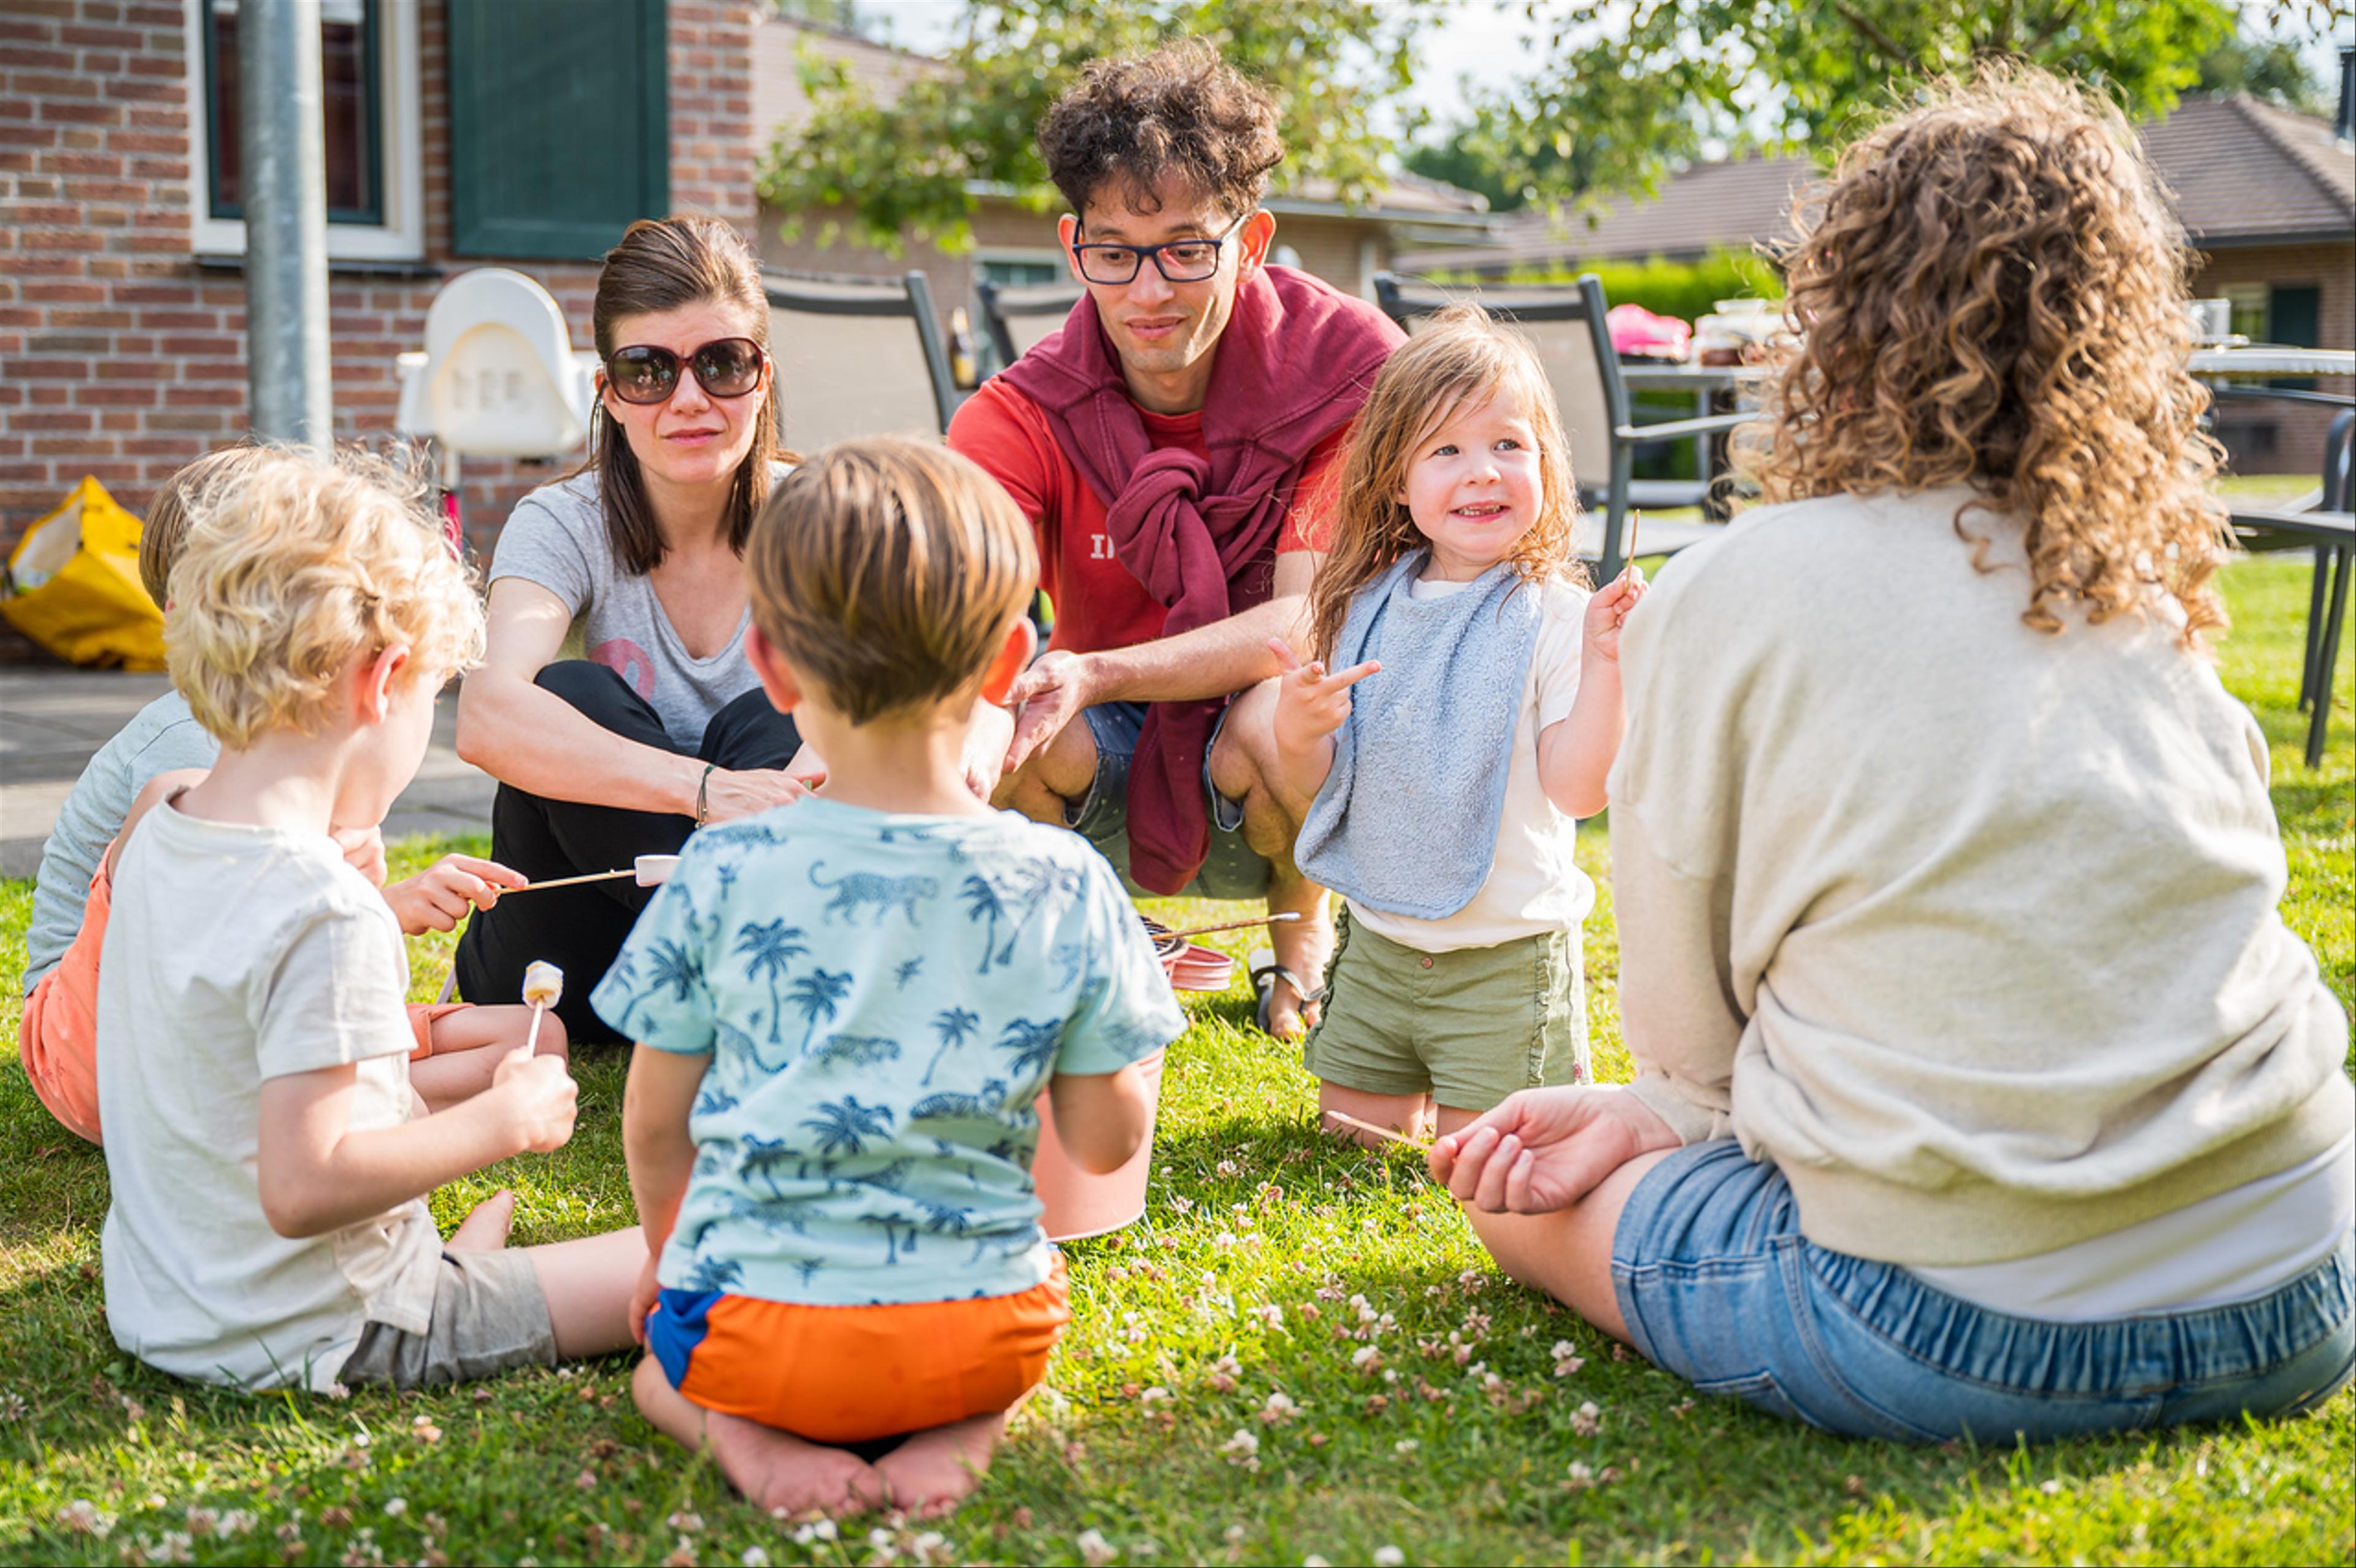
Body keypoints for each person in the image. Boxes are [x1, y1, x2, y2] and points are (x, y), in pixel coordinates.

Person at [1431, 69, 2355, 1442]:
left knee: (1529, 1209)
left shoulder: (1736, 585)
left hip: (1959, 1329)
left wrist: (1658, 1116)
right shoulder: (2133, 596)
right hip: (2304, 1277)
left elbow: (1689, 1040)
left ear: (1837, 311)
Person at [601, 440, 1180, 1518]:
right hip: (976, 1332)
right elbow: (1106, 1145)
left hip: (757, 1339)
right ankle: (962, 1433)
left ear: (771, 669)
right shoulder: (1062, 878)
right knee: (1031, 1307)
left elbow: (652, 1123)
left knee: (651, 1367)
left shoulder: (721, 868)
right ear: (1010, 663)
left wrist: (669, 1255)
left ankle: (754, 1447)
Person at [98, 446, 641, 1393]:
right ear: (385, 681)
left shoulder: (159, 835)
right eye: (431, 702)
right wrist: (503, 1120)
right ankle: (470, 1278)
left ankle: (473, 1262)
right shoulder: (324, 907)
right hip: (341, 1327)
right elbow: (306, 1187)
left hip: (162, 1305)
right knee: (677, 1254)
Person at [949, 40, 1403, 1038]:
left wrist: (1099, 670)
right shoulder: (1019, 414)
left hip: (1273, 740)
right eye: (1114, 253)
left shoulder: (1353, 365)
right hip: (1103, 752)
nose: (1148, 293)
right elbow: (958, 619)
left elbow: (1308, 619)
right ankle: (1082, 953)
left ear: (1253, 236)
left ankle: (1300, 958)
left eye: (1188, 249)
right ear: (1073, 245)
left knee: (1293, 701)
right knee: (1009, 707)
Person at [17, 444, 559, 1146]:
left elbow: (262, 929)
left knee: (531, 1040)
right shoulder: (186, 760)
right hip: (92, 1046)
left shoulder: (248, 775)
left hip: (191, 1043)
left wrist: (377, 907)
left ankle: (326, 1104)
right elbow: (215, 964)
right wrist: (372, 913)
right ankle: (317, 1111)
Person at [1269, 307, 1644, 1148]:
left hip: (1504, 963)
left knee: (1485, 1159)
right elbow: (1316, 784)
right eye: (1447, 451)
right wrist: (1300, 729)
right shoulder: (1367, 608)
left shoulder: (1556, 618)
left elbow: (1577, 789)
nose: (1483, 473)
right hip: (1381, 949)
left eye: (1509, 445)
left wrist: (1608, 670)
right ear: (1397, 481)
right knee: (1350, 1141)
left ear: (1546, 463)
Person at [452, 215, 815, 1043]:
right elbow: (488, 713)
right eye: (649, 370)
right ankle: (738, 977)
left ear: (763, 379)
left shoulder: (820, 513)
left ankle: (712, 972)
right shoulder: (561, 521)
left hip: (746, 909)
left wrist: (797, 789)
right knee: (568, 690)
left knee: (794, 708)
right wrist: (703, 792)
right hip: (564, 967)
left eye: (723, 365)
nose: (690, 400)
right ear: (610, 396)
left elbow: (902, 702)